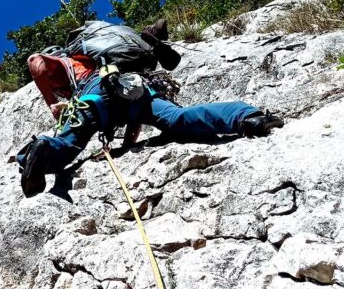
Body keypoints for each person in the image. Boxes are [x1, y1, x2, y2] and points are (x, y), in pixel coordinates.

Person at [16, 68, 284, 197]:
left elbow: (35, 61)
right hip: (135, 93)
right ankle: (247, 117)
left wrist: (52, 100)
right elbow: (133, 123)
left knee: (68, 143)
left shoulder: (75, 67)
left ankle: (41, 151)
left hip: (93, 101)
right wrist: (125, 146)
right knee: (179, 119)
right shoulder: (114, 62)